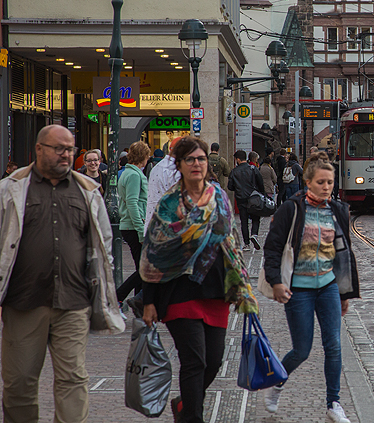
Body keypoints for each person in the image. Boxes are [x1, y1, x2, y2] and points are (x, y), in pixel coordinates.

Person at [0, 125, 124, 423]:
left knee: (73, 380)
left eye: (70, 149)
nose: (66, 154)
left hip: (73, 302)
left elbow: (103, 242)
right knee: (19, 384)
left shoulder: (87, 190)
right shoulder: (11, 188)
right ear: (39, 149)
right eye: (59, 148)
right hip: (23, 301)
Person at [141, 136, 257, 423]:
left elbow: (230, 240)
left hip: (216, 289)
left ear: (208, 163)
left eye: (201, 159)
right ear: (179, 165)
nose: (197, 164)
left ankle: (184, 404)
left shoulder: (218, 196)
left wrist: (241, 284)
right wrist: (149, 301)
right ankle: (193, 417)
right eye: (190, 159)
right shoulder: (169, 203)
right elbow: (153, 254)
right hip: (180, 290)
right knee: (195, 361)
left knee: (214, 362)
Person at [262, 152, 360, 423]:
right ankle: (278, 380)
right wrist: (277, 282)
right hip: (299, 289)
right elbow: (272, 249)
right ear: (307, 181)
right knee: (302, 350)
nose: (326, 187)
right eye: (320, 182)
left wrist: (344, 292)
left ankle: (333, 403)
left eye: (329, 182)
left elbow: (342, 254)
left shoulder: (338, 210)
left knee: (334, 346)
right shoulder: (291, 209)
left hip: (327, 285)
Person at [116, 141, 150, 306]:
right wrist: (141, 230)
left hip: (130, 225)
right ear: (143, 157)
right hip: (133, 226)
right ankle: (118, 296)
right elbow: (132, 202)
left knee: (141, 269)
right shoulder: (135, 175)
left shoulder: (127, 173)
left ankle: (138, 302)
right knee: (146, 269)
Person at [228, 150, 266, 250]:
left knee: (244, 221)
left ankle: (246, 243)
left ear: (238, 159)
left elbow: (230, 187)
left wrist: (238, 188)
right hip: (253, 198)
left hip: (241, 199)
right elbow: (260, 183)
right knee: (255, 218)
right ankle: (254, 234)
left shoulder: (234, 171)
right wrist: (262, 194)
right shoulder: (253, 169)